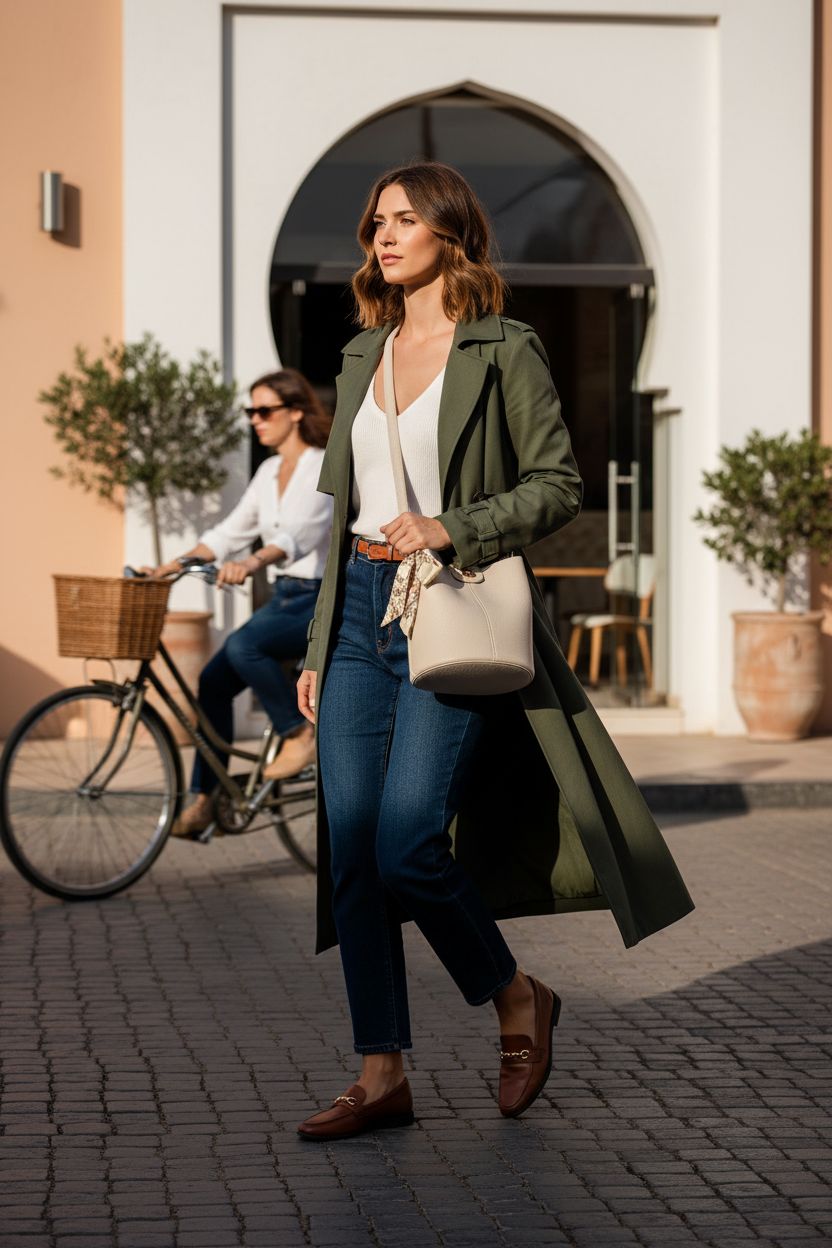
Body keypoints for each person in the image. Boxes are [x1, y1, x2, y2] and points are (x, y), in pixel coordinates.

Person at [295, 161, 693, 1141]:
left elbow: (557, 485)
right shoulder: (359, 358)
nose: (382, 237)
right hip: (354, 621)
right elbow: (344, 512)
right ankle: (381, 1071)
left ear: (451, 233)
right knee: (350, 851)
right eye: (374, 223)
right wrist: (314, 645)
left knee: (407, 843)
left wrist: (451, 528)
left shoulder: (501, 348)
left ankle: (516, 996)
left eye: (403, 220)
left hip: (454, 612)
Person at [151, 368, 333, 837]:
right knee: (212, 682)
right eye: (250, 411)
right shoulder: (270, 470)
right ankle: (205, 799)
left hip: (319, 599)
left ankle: (297, 733)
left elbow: (300, 535)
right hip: (285, 597)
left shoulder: (321, 465)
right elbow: (230, 530)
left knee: (243, 646)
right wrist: (173, 565)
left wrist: (251, 563)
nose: (255, 419)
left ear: (295, 412)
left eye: (264, 410)